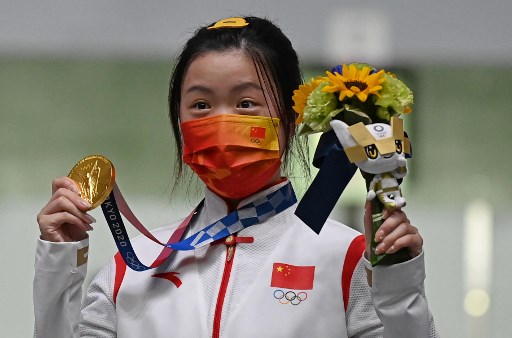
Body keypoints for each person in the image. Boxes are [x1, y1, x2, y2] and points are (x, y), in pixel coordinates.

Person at [34, 16, 438, 337]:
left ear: (291, 118)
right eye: (201, 104)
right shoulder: (133, 265)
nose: (221, 121)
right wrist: (60, 261)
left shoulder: (346, 258)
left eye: (246, 103)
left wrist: (398, 282)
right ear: (178, 121)